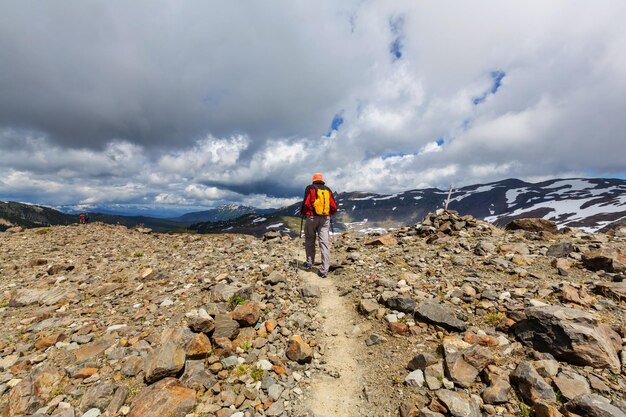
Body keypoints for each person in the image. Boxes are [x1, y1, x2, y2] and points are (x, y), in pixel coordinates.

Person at [300, 173, 337, 278]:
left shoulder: (310, 188)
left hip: (312, 217)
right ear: (322, 180)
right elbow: (333, 206)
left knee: (310, 240)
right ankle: (324, 269)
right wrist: (330, 214)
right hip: (325, 218)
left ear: (313, 180)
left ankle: (309, 263)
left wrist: (303, 213)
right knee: (324, 243)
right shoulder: (328, 190)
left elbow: (306, 203)